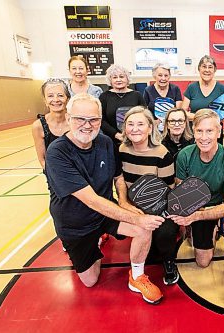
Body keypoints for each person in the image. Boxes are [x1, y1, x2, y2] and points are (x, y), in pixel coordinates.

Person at [45, 93, 165, 304]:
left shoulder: (105, 142)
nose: (87, 125)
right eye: (80, 119)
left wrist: (124, 202)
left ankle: (136, 276)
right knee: (91, 280)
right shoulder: (57, 152)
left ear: (101, 120)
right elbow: (91, 200)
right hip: (76, 223)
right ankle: (93, 243)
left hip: (104, 215)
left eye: (93, 119)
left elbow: (118, 177)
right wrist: (135, 217)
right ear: (68, 118)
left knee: (144, 228)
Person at [170, 109, 224, 327]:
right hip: (198, 210)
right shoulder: (184, 156)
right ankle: (211, 234)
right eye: (199, 130)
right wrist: (186, 218)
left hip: (221, 210)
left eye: (210, 130)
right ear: (193, 131)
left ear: (220, 132)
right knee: (202, 262)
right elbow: (182, 191)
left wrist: (197, 216)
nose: (204, 136)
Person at [119, 106, 180, 285]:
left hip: (159, 206)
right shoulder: (121, 150)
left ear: (150, 128)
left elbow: (167, 191)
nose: (135, 129)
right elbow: (120, 181)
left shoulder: (162, 154)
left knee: (165, 233)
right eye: (130, 124)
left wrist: (151, 214)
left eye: (140, 124)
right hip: (132, 206)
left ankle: (169, 261)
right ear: (125, 128)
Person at [99, 64, 146, 144]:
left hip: (135, 139)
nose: (118, 80)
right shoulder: (104, 96)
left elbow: (145, 117)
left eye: (121, 76)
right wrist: (116, 135)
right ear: (110, 80)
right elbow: (101, 120)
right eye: (115, 77)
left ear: (127, 79)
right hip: (111, 140)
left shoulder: (137, 95)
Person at [32, 78, 70, 170]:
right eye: (50, 96)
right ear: (45, 100)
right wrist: (55, 177)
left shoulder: (76, 121)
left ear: (68, 99)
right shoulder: (38, 126)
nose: (56, 100)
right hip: (54, 175)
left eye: (60, 95)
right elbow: (43, 160)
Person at [181, 55, 224, 122]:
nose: (207, 70)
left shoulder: (221, 88)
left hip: (214, 130)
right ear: (199, 69)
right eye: (204, 67)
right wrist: (203, 118)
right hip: (195, 129)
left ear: (215, 70)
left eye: (210, 67)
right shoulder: (191, 87)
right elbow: (183, 113)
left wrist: (205, 120)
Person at [143, 63, 183, 130]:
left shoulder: (175, 89)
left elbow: (178, 110)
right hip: (154, 128)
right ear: (154, 76)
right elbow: (144, 111)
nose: (163, 78)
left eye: (166, 75)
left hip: (172, 127)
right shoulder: (148, 90)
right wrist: (153, 122)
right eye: (160, 75)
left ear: (169, 76)